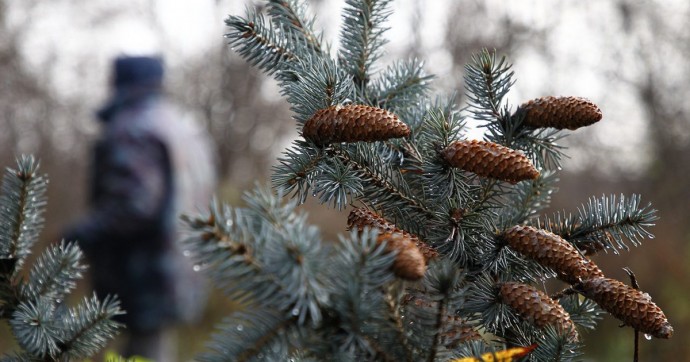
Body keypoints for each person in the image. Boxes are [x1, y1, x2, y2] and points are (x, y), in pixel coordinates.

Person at [65, 55, 216, 360]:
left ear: (119, 83)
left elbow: (134, 205)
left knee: (144, 352)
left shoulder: (133, 128)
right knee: (154, 348)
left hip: (145, 277)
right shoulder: (181, 127)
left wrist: (79, 234)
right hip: (178, 272)